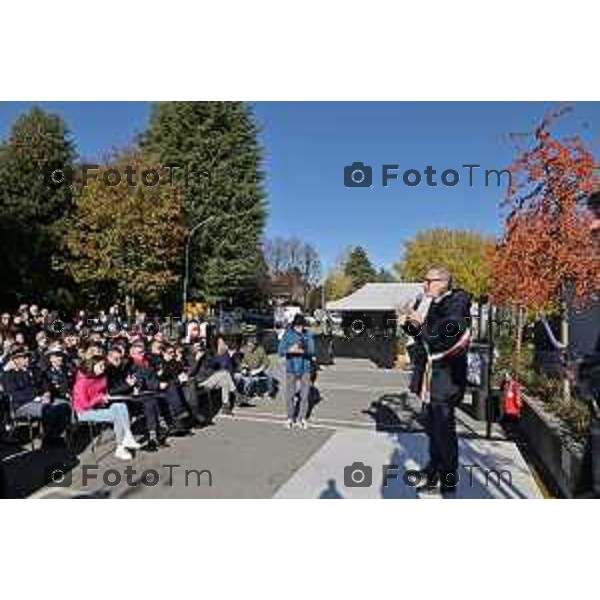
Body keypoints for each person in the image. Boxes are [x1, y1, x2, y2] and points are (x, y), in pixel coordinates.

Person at [401, 267, 471, 493]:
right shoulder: (437, 303)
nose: (424, 285)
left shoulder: (457, 305)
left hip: (447, 378)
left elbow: (442, 338)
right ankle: (434, 470)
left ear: (443, 282)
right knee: (432, 428)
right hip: (434, 376)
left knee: (444, 432)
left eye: (428, 281)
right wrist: (407, 322)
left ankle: (447, 480)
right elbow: (425, 338)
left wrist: (419, 325)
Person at [72, 355, 140, 460]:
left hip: (100, 406)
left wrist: (127, 384)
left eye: (103, 365)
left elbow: (108, 391)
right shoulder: (81, 383)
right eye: (100, 366)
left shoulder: (102, 377)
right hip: (84, 412)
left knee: (120, 405)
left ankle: (126, 437)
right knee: (117, 416)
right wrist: (100, 398)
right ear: (92, 366)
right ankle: (122, 444)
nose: (103, 368)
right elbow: (85, 405)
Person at [1, 346, 71, 447]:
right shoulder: (8, 375)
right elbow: (13, 394)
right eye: (24, 357)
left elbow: (44, 383)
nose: (27, 359)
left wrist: (47, 392)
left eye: (28, 357)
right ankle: (48, 440)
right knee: (48, 410)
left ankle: (55, 435)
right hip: (22, 405)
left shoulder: (35, 370)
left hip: (41, 399)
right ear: (15, 360)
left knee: (64, 405)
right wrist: (36, 397)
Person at [278, 313, 315, 429]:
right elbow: (280, 351)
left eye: (301, 326)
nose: (300, 328)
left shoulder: (308, 334)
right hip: (291, 368)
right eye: (297, 326)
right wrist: (290, 350)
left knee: (304, 395)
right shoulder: (288, 334)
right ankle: (290, 418)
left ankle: (302, 418)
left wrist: (305, 351)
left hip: (305, 368)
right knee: (290, 394)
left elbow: (313, 351)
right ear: (293, 325)